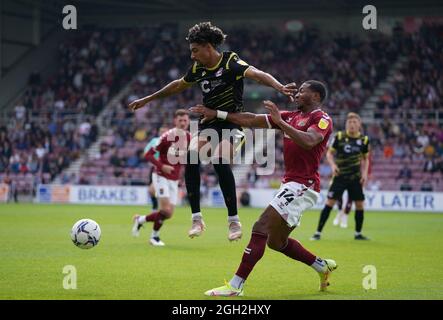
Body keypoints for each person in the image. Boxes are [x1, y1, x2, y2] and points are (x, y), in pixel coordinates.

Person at [129, 22, 296, 241]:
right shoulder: (198, 70)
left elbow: (256, 74)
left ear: (208, 46)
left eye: (194, 50)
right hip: (208, 123)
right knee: (191, 156)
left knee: (219, 160)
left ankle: (234, 221)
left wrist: (279, 87)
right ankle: (197, 218)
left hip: (232, 122)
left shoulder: (230, 61)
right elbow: (178, 84)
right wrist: (148, 99)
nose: (192, 56)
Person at [191, 80, 337, 297]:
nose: (297, 93)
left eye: (303, 90)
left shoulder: (321, 118)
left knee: (261, 226)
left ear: (316, 96)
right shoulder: (291, 116)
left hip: (304, 185)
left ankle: (235, 286)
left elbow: (309, 141)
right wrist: (217, 113)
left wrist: (281, 123)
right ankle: (321, 266)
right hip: (291, 184)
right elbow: (250, 119)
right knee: (277, 243)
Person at [131, 110, 190, 246]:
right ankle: (154, 237)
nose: (183, 123)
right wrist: (162, 166)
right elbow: (148, 154)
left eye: (185, 120)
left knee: (169, 214)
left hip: (174, 179)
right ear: (175, 121)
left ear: (188, 122)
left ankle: (140, 219)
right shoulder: (167, 136)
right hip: (160, 175)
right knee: (165, 209)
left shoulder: (188, 137)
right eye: (180, 120)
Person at [311, 112, 370, 241]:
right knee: (329, 203)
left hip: (355, 177)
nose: (352, 125)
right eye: (349, 122)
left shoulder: (364, 140)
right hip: (340, 176)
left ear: (359, 124)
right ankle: (317, 232)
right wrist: (333, 166)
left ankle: (358, 233)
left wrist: (364, 174)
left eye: (354, 122)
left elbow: (366, 159)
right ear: (346, 124)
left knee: (360, 205)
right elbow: (329, 154)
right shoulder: (339, 137)